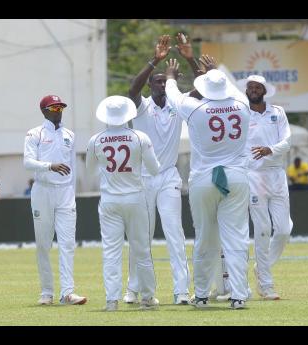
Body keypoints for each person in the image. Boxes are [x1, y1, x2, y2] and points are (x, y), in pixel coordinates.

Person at [166, 59, 252, 309]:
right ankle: (238, 296)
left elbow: (173, 95)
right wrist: (213, 70)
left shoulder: (195, 108)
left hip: (204, 178)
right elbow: (233, 89)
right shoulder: (242, 103)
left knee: (205, 238)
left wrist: (171, 75)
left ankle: (202, 295)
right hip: (236, 176)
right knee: (236, 239)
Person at [124, 34, 201, 305]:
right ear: (150, 84)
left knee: (174, 233)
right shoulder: (142, 106)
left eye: (163, 80)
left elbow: (202, 90)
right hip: (143, 177)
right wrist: (155, 60)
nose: (159, 84)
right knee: (140, 236)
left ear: (170, 84)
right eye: (155, 81)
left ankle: (181, 292)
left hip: (168, 175)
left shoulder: (177, 105)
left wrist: (190, 58)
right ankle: (134, 289)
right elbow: (131, 91)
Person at [86, 95, 160, 311]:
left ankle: (111, 300)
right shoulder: (139, 137)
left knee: (110, 251)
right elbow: (154, 169)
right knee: (141, 249)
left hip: (109, 199)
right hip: (135, 197)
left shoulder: (96, 139)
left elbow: (90, 170)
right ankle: (147, 296)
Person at [24, 94, 87, 306]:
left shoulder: (69, 134)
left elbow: (73, 167)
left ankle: (68, 292)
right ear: (44, 111)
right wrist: (49, 165)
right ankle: (47, 292)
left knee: (68, 243)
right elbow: (27, 162)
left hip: (65, 193)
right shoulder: (35, 133)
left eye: (60, 107)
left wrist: (72, 191)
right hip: (43, 191)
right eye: (54, 108)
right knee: (43, 244)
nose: (58, 111)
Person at [236, 74, 293, 300]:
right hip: (254, 175)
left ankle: (262, 267)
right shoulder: (240, 112)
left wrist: (271, 149)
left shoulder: (277, 112)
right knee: (262, 229)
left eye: (257, 87)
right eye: (250, 87)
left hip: (277, 174)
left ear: (264, 90)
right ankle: (266, 285)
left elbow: (287, 141)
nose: (253, 90)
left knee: (283, 230)